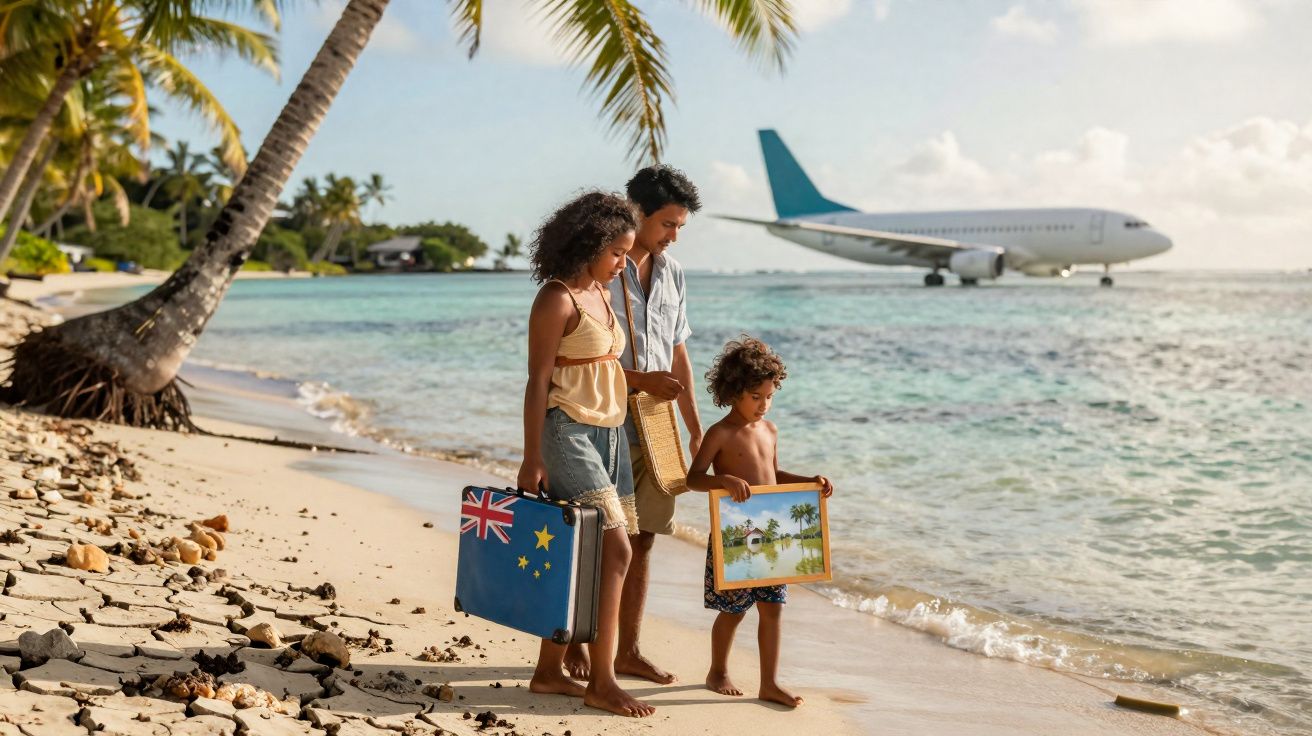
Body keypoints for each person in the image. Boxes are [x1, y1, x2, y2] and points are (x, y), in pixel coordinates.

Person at [564, 165, 705, 683]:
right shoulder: (599, 267)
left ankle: (628, 650)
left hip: (660, 419)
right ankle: (577, 639)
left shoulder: (673, 274)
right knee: (597, 533)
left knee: (646, 535)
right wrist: (641, 381)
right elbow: (574, 353)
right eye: (667, 224)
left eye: (680, 228)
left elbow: (678, 350)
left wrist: (694, 424)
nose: (672, 236)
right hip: (603, 411)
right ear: (638, 212)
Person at [516, 191, 654, 718]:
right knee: (615, 551)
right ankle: (603, 680)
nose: (624, 262)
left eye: (627, 252)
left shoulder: (602, 291)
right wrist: (532, 457)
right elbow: (538, 383)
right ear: (590, 242)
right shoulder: (556, 299)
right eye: (618, 251)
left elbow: (606, 366)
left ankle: (548, 673)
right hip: (567, 432)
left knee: (586, 551)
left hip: (611, 433)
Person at [685, 336, 834, 708]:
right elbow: (693, 479)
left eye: (769, 396)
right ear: (734, 392)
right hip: (735, 535)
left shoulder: (770, 430)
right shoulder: (720, 433)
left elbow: (773, 474)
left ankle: (770, 682)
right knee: (733, 611)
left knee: (773, 608)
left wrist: (810, 482)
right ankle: (718, 670)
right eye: (756, 397)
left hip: (773, 532)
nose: (763, 405)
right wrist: (723, 480)